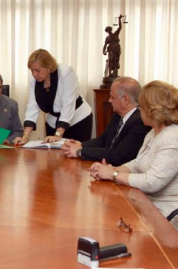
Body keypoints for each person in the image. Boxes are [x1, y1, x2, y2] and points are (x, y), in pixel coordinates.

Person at [89, 81, 178, 229]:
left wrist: (114, 175)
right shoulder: (154, 132)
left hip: (167, 214)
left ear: (152, 110)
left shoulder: (172, 137)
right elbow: (137, 163)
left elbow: (151, 182)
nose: (139, 110)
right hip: (147, 204)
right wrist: (111, 170)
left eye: (141, 107)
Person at [62, 77, 151, 165]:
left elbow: (118, 155)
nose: (109, 100)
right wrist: (81, 145)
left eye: (112, 97)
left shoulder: (139, 122)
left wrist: (80, 152)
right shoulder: (119, 114)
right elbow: (102, 140)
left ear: (125, 99)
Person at [14, 49, 93, 145]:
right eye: (32, 70)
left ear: (49, 67)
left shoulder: (66, 73)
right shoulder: (34, 79)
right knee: (52, 156)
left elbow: (67, 105)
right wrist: (25, 137)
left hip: (78, 121)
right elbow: (32, 107)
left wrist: (58, 135)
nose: (34, 74)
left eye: (37, 70)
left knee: (76, 154)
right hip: (53, 122)